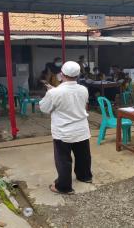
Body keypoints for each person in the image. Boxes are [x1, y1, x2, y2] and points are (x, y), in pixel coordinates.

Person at [39, 61, 93, 195]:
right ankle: (85, 176)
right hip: (81, 129)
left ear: (62, 75)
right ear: (78, 75)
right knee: (83, 156)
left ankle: (63, 186)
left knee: (63, 159)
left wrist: (51, 92)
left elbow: (44, 108)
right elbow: (75, 100)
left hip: (63, 132)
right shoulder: (83, 89)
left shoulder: (55, 93)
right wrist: (54, 91)